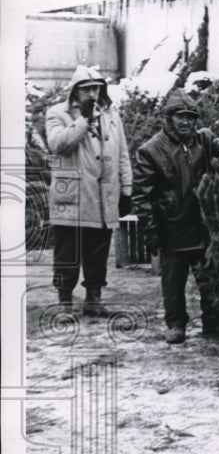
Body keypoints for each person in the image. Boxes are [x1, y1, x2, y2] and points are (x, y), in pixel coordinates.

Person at [132, 89, 219, 344]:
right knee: (173, 280)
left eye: (191, 117)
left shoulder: (205, 140)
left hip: (203, 223)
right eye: (180, 117)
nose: (186, 122)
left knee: (210, 275)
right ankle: (175, 323)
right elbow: (141, 196)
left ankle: (216, 321)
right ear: (169, 118)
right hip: (172, 227)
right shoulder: (151, 150)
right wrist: (152, 231)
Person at [46, 65, 133, 317]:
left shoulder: (111, 115)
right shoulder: (58, 113)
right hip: (72, 198)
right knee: (67, 255)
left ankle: (93, 299)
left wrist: (126, 190)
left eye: (96, 88)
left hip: (104, 196)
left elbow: (123, 154)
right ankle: (64, 301)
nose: (92, 94)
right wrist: (83, 120)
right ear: (75, 91)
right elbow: (58, 145)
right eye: (86, 89)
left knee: (98, 252)